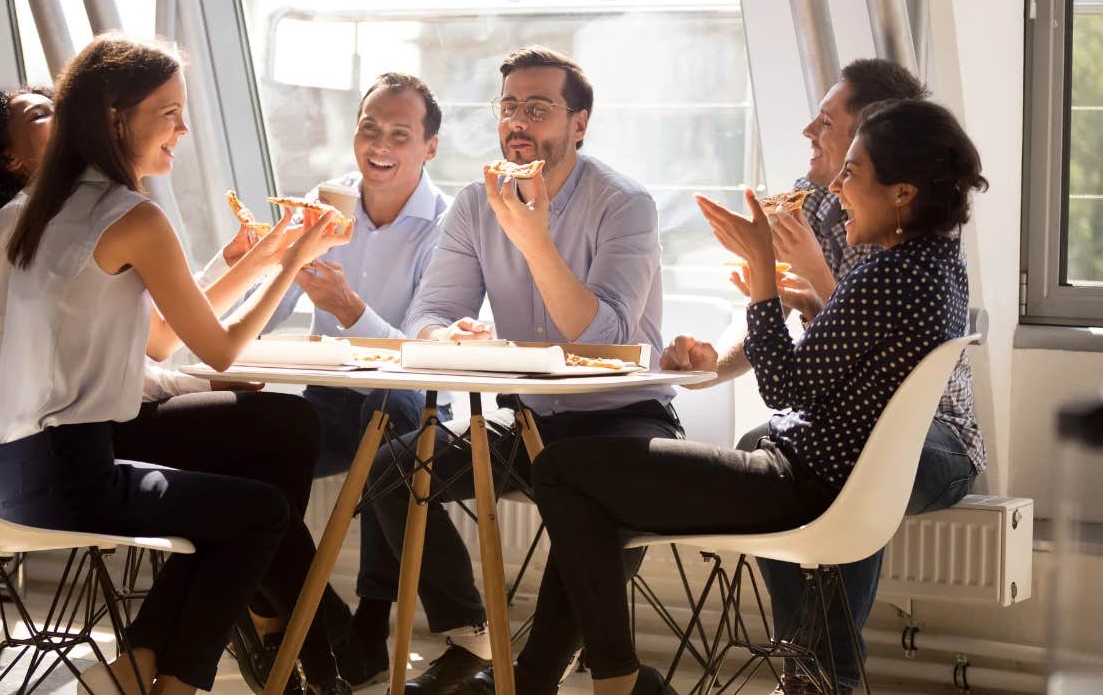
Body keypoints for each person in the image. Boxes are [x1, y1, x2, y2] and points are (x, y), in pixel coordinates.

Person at [535, 98, 987, 695]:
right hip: (815, 480)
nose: (839, 187)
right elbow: (855, 362)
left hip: (797, 486)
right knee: (587, 488)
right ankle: (599, 677)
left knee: (563, 470)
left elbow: (783, 387)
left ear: (903, 193)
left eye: (853, 172)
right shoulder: (938, 268)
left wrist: (764, 280)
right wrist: (799, 304)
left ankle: (611, 678)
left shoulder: (887, 274)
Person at [0, 81, 366, 695]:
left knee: (272, 451)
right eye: (169, 115)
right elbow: (166, 352)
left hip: (21, 462)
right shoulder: (98, 214)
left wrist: (264, 262)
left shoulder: (29, 219)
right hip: (84, 452)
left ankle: (198, 651)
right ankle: (285, 640)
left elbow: (153, 340)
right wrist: (295, 257)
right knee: (276, 459)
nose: (181, 131)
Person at [349, 46, 682, 695]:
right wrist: (450, 333)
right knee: (389, 469)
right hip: (530, 422)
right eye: (509, 107)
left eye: (538, 107)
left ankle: (530, 679)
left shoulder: (625, 204)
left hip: (624, 420)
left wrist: (533, 238)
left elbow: (603, 337)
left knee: (593, 495)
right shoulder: (477, 204)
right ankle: (468, 635)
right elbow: (430, 312)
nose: (518, 121)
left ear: (578, 123)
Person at [660, 59, 985, 695]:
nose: (811, 130)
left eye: (829, 122)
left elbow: (867, 337)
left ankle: (824, 673)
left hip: (934, 433)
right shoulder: (812, 204)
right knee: (767, 444)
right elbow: (773, 320)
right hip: (846, 416)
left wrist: (813, 277)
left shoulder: (911, 237)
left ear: (876, 139)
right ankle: (804, 665)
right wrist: (710, 366)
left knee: (855, 466)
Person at [208, 72, 453, 480]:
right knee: (247, 439)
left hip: (414, 401)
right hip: (329, 397)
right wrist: (254, 271)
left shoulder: (446, 226)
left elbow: (426, 361)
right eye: (369, 129)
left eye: (399, 135)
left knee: (389, 410)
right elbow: (269, 309)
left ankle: (393, 540)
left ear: (430, 147)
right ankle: (288, 544)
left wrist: (349, 309)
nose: (379, 146)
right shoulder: (325, 203)